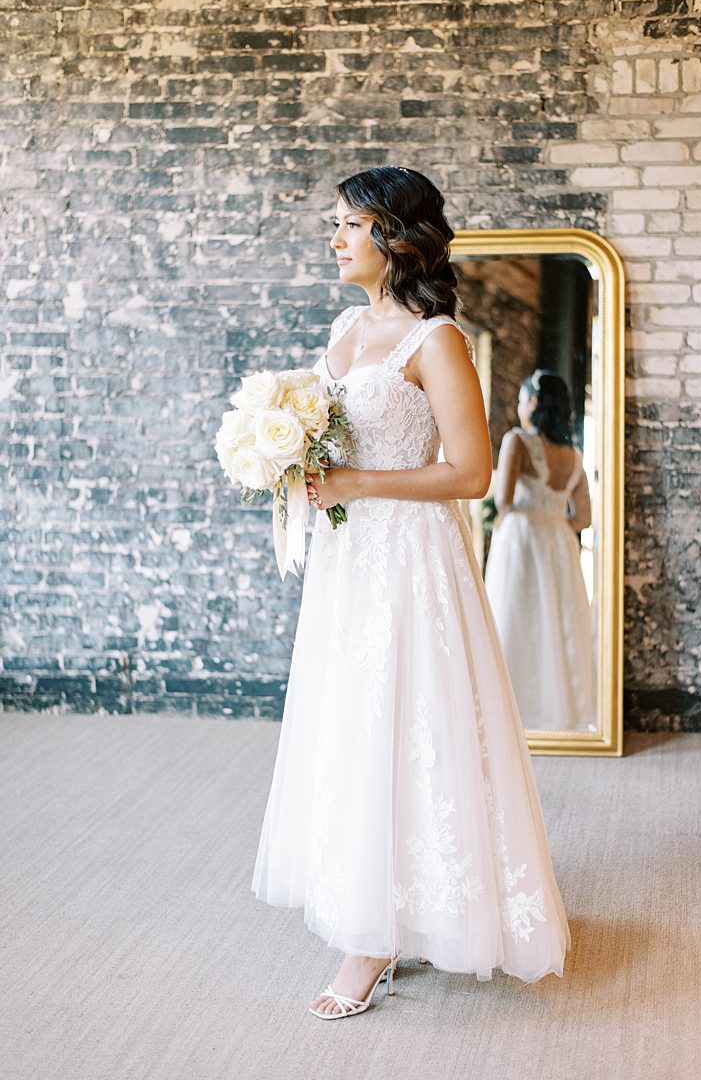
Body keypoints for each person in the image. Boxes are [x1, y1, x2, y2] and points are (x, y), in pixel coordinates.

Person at [250, 165, 570, 1019]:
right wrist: (288, 458)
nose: (336, 237)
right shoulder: (345, 330)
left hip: (412, 558)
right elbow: (332, 441)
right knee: (354, 724)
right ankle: (373, 908)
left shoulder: (438, 341)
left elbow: (468, 473)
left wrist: (357, 480)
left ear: (395, 236)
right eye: (336, 224)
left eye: (350, 224)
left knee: (412, 721)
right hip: (348, 562)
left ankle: (377, 939)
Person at [484, 370, 598, 732]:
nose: (519, 407)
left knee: (515, 617)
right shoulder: (573, 456)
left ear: (533, 402)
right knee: (557, 621)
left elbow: (502, 499)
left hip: (521, 536)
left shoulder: (517, 441)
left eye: (521, 399)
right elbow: (583, 517)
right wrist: (555, 523)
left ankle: (513, 712)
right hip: (558, 541)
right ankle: (562, 711)